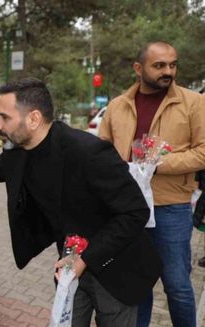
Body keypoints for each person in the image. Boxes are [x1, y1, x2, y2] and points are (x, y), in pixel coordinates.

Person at [0, 78, 162, 327]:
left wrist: (87, 258)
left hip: (116, 268)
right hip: (70, 265)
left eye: (5, 117)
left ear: (34, 118)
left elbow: (135, 211)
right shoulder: (19, 153)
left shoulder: (88, 152)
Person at [98, 41, 205, 327]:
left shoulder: (193, 103)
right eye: (159, 65)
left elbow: (203, 151)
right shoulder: (118, 106)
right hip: (127, 210)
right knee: (138, 285)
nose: (168, 71)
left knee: (177, 286)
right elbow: (102, 150)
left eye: (172, 64)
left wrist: (156, 166)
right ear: (138, 68)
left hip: (171, 208)